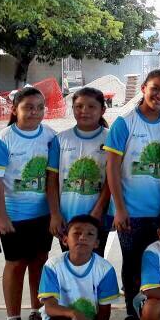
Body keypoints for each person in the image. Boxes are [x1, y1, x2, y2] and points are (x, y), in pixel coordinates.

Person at [104, 69, 160, 320]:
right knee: (133, 265)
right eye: (155, 88)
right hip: (132, 212)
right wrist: (120, 209)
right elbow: (112, 167)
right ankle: (134, 317)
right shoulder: (124, 123)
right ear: (144, 88)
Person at [0, 86, 57, 320]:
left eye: (40, 107)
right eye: (28, 107)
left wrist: (54, 214)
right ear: (15, 110)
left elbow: (52, 179)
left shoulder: (50, 137)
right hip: (14, 217)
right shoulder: (3, 140)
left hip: (42, 216)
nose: (35, 112)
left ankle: (36, 313)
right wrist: (1, 216)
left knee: (39, 262)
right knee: (16, 266)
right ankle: (12, 319)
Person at [38, 215, 121, 320]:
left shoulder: (104, 269)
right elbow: (50, 307)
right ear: (65, 240)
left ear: (97, 243)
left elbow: (104, 314)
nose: (83, 237)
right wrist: (74, 314)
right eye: (77, 233)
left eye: (90, 234)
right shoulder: (53, 266)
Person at [47, 87, 111, 253]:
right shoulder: (60, 139)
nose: (84, 111)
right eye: (79, 106)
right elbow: (52, 180)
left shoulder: (110, 138)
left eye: (91, 106)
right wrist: (55, 214)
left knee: (95, 262)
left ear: (103, 110)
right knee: (70, 261)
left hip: (98, 217)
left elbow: (112, 180)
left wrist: (98, 211)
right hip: (67, 217)